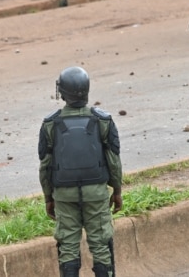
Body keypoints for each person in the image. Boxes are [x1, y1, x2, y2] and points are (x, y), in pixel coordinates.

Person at [38, 66, 123, 277]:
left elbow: (45, 166)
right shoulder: (103, 120)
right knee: (102, 244)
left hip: (64, 195)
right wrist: (117, 190)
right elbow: (114, 161)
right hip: (96, 192)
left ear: (62, 92)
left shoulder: (50, 123)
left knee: (67, 247)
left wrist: (48, 197)